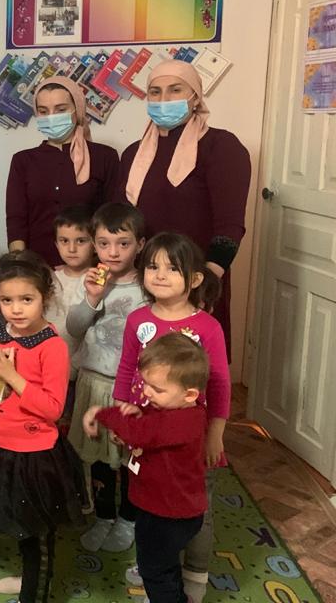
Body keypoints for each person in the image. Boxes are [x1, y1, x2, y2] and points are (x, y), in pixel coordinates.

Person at [114, 232, 229, 603]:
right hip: (146, 433)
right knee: (148, 496)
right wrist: (122, 411)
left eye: (172, 268)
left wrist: (215, 433)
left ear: (194, 279)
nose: (160, 275)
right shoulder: (137, 320)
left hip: (189, 439)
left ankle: (194, 573)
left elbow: (220, 383)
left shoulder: (208, 327)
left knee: (196, 506)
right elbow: (127, 368)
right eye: (152, 266)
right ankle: (156, 562)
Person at [116, 59, 251, 359]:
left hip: (197, 280)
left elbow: (230, 225)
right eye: (155, 92)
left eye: (175, 90)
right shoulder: (133, 154)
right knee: (143, 365)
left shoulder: (221, 146)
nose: (164, 99)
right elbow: (122, 221)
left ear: (195, 97)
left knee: (191, 367)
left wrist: (204, 283)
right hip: (146, 281)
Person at [0, 251, 84, 603]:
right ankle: (28, 582)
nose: (16, 309)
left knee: (38, 536)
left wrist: (11, 375)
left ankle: (35, 594)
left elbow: (53, 408)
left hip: (35, 456)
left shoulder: (52, 346)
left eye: (26, 299)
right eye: (6, 300)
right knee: (18, 527)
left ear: (44, 297)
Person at [83, 334, 210, 603]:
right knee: (162, 563)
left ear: (190, 394)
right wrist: (139, 412)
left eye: (157, 389)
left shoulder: (183, 420)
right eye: (146, 384)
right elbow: (148, 427)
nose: (147, 393)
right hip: (161, 506)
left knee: (155, 570)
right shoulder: (176, 410)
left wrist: (101, 413)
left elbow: (141, 432)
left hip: (168, 515)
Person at [66, 203, 146, 553]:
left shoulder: (148, 286)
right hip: (93, 383)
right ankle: (104, 516)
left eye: (123, 243)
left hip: (131, 390)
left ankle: (128, 519)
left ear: (140, 245)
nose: (113, 252)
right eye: (103, 243)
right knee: (97, 456)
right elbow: (74, 328)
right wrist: (92, 298)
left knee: (129, 459)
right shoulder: (90, 281)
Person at [6, 77, 119, 267]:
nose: (51, 117)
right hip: (37, 266)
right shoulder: (22, 161)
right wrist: (21, 266)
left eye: (60, 109)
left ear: (78, 110)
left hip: (91, 267)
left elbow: (113, 217)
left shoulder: (105, 157)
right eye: (43, 111)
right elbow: (16, 220)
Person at [44, 206, 96, 420]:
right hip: (46, 369)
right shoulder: (49, 278)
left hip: (77, 372)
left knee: (70, 423)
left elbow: (91, 333)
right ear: (56, 244)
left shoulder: (96, 281)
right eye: (64, 241)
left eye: (80, 241)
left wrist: (72, 367)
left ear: (94, 244)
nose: (72, 248)